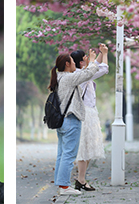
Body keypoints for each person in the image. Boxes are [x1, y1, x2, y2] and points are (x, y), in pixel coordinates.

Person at [49, 50, 98, 196]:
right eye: (72, 61)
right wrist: (93, 61)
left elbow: (83, 74)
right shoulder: (68, 78)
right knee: (69, 155)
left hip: (62, 122)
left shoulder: (59, 77)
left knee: (62, 154)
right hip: (71, 121)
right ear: (67, 64)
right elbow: (88, 74)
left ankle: (61, 184)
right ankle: (64, 187)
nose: (74, 64)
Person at [70, 43, 109, 191]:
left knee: (88, 148)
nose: (88, 58)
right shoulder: (82, 75)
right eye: (86, 57)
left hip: (89, 113)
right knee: (84, 148)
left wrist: (100, 53)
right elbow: (103, 68)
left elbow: (96, 66)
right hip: (85, 115)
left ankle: (81, 179)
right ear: (81, 62)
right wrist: (104, 54)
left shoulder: (83, 73)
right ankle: (80, 179)